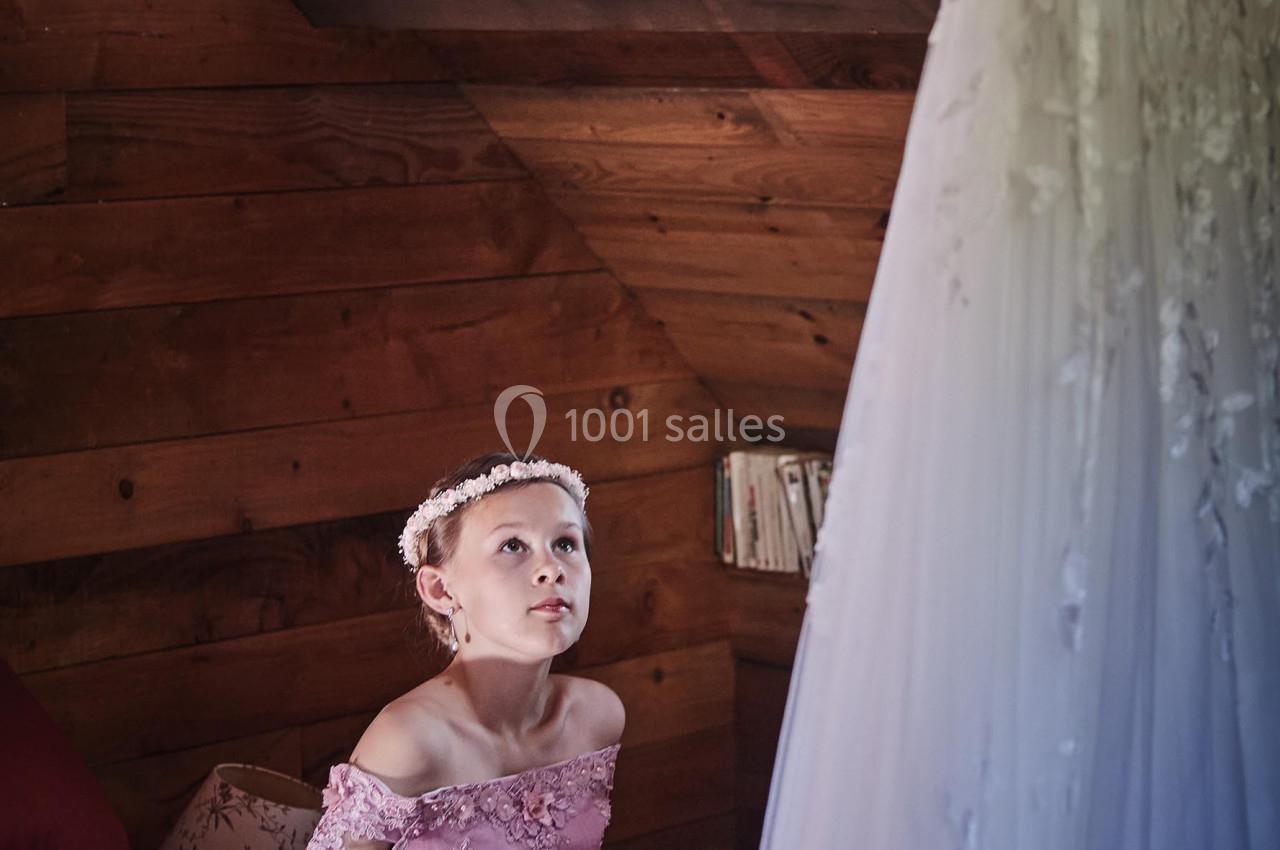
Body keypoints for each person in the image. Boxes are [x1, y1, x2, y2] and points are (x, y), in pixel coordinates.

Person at [307, 451, 626, 850]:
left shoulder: (597, 716)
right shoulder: (408, 741)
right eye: (513, 545)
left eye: (565, 543)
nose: (552, 568)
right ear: (441, 590)